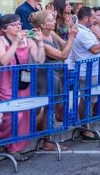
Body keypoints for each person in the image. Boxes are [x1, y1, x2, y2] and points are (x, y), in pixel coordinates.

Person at [0, 14, 45, 161]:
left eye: (19, 23)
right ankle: (1, 139)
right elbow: (4, 60)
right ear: (4, 29)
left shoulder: (28, 40)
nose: (19, 26)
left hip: (24, 82)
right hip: (6, 82)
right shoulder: (0, 40)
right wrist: (15, 43)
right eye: (14, 24)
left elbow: (39, 60)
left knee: (24, 116)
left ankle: (14, 148)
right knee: (12, 116)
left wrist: (40, 43)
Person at [30, 10, 77, 150]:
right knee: (48, 106)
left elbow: (65, 45)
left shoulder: (52, 33)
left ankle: (42, 133)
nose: (54, 22)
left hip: (56, 73)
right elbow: (63, 54)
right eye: (51, 20)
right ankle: (47, 141)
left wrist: (71, 33)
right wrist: (72, 37)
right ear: (43, 25)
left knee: (54, 106)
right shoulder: (40, 40)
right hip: (46, 75)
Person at [69, 7, 100, 140]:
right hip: (87, 72)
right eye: (93, 17)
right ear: (85, 18)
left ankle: (86, 127)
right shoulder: (82, 32)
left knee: (88, 99)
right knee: (88, 100)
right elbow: (96, 49)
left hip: (91, 70)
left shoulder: (87, 30)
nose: (96, 19)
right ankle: (86, 129)